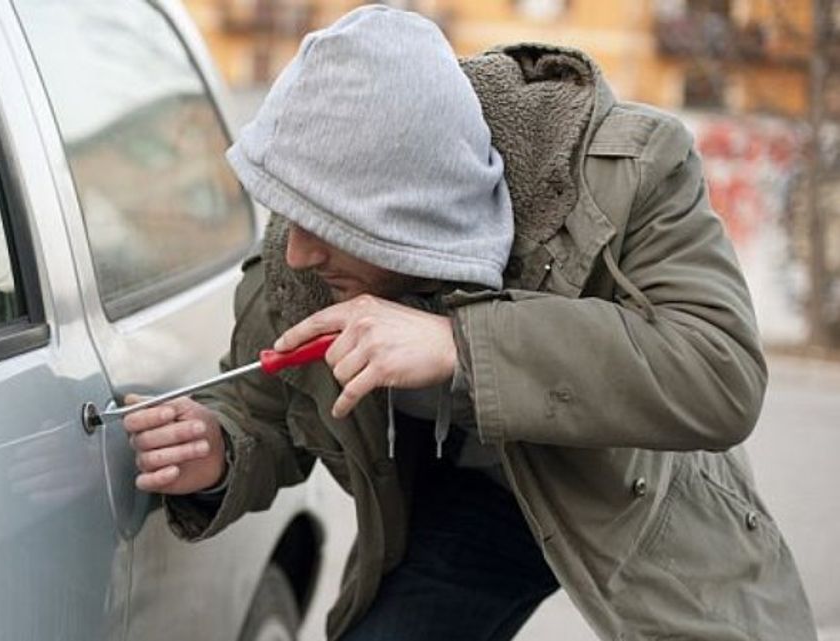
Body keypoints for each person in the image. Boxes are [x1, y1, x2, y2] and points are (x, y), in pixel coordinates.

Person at [124, 5, 817, 640]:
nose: (299, 250)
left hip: (636, 492)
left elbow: (718, 371)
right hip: (472, 504)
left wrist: (460, 344)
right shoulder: (305, 244)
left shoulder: (630, 170)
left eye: (326, 227)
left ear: (408, 214)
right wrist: (220, 447)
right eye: (292, 215)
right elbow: (265, 404)